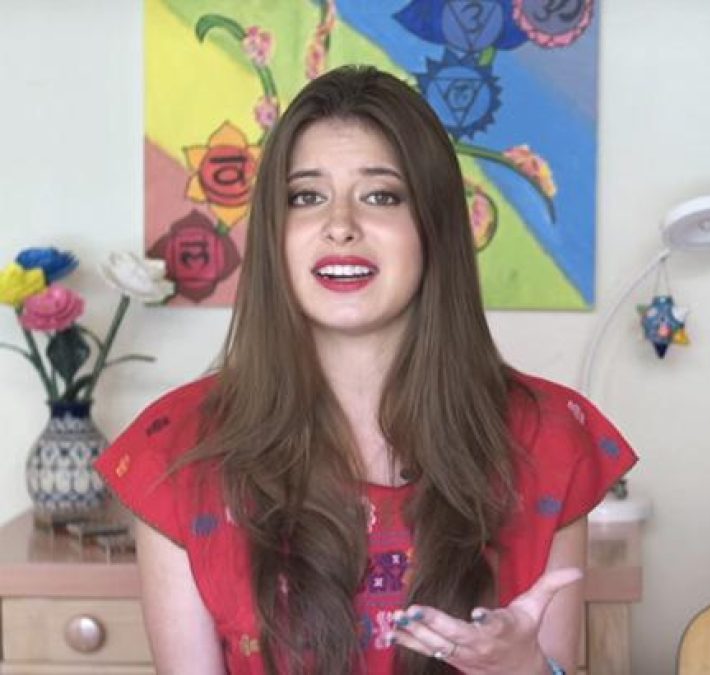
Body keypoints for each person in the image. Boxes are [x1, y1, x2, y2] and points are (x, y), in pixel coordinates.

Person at [95, 65, 637, 675]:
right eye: (306, 197)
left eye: (381, 195)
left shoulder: (549, 439)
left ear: (433, 225)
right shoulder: (176, 450)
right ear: (274, 233)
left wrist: (525, 670)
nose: (340, 226)